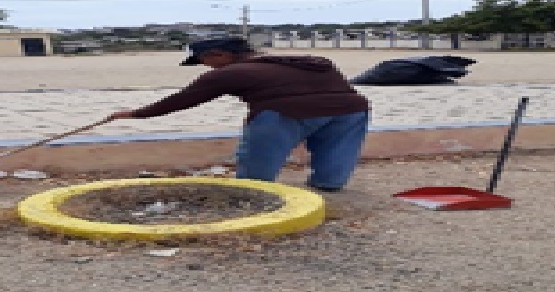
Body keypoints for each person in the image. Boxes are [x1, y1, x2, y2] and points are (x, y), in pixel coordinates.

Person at [105, 37, 370, 191]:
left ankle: (253, 191)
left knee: (259, 160)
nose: (204, 66)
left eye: (202, 61)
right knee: (338, 153)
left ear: (219, 55)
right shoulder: (304, 62)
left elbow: (182, 101)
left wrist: (135, 114)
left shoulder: (229, 73)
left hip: (285, 113)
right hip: (352, 110)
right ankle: (328, 186)